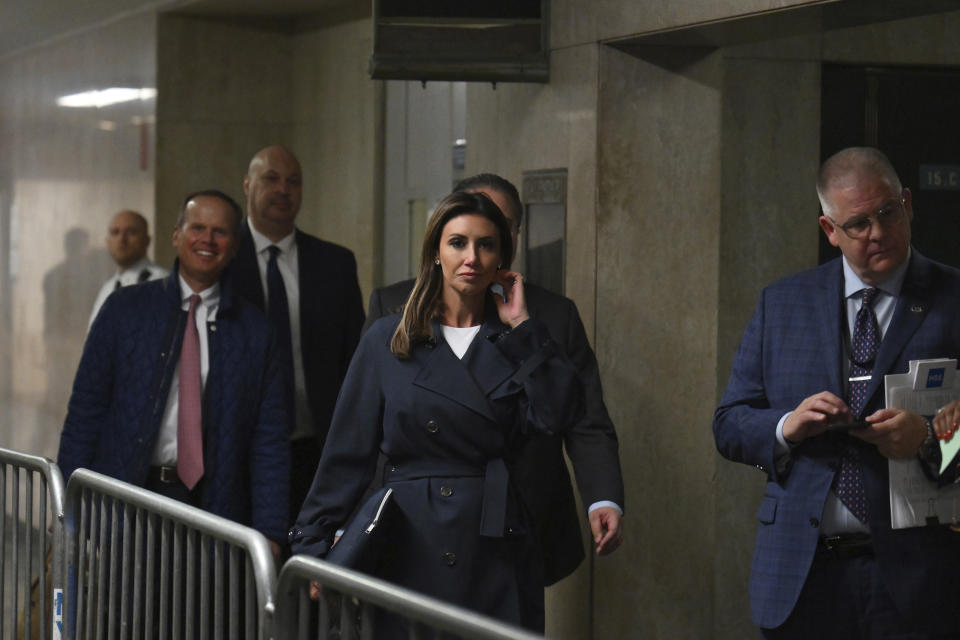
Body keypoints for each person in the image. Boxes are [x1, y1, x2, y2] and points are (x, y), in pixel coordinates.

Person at [290, 191, 584, 634]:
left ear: (502, 257)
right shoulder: (391, 339)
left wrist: (522, 326)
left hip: (496, 544)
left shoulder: (518, 341)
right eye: (458, 243)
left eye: (486, 244)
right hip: (409, 540)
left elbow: (557, 416)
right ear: (435, 253)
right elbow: (346, 454)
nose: (472, 257)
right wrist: (312, 544)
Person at [714, 147, 960, 638]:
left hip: (919, 578)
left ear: (908, 204)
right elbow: (730, 423)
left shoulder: (953, 299)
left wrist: (931, 441)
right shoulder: (782, 303)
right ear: (830, 231)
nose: (878, 232)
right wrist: (788, 426)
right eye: (858, 223)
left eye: (888, 212)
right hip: (802, 577)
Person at [364, 173, 624, 584]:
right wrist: (355, 519)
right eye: (462, 236)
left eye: (493, 234)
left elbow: (584, 417)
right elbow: (367, 425)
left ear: (512, 238)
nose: (476, 251)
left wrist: (602, 496)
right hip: (420, 521)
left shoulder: (553, 315)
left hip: (521, 520)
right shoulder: (394, 310)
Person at [57, 190, 290, 551]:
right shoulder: (124, 310)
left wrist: (271, 530)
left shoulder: (256, 332)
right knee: (125, 607)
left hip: (218, 512)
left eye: (220, 231)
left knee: (206, 608)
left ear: (235, 245)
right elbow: (86, 410)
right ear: (177, 235)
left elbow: (269, 438)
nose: (207, 240)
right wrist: (69, 508)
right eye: (197, 227)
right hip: (128, 506)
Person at [231, 144, 365, 525]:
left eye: (293, 182)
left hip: (317, 450)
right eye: (271, 179)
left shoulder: (334, 264)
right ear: (247, 185)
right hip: (242, 452)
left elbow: (354, 359)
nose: (283, 190)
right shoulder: (222, 262)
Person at [88, 209, 168, 327]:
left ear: (147, 240)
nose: (121, 240)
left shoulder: (162, 282)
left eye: (131, 232)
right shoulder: (107, 288)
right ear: (108, 241)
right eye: (115, 232)